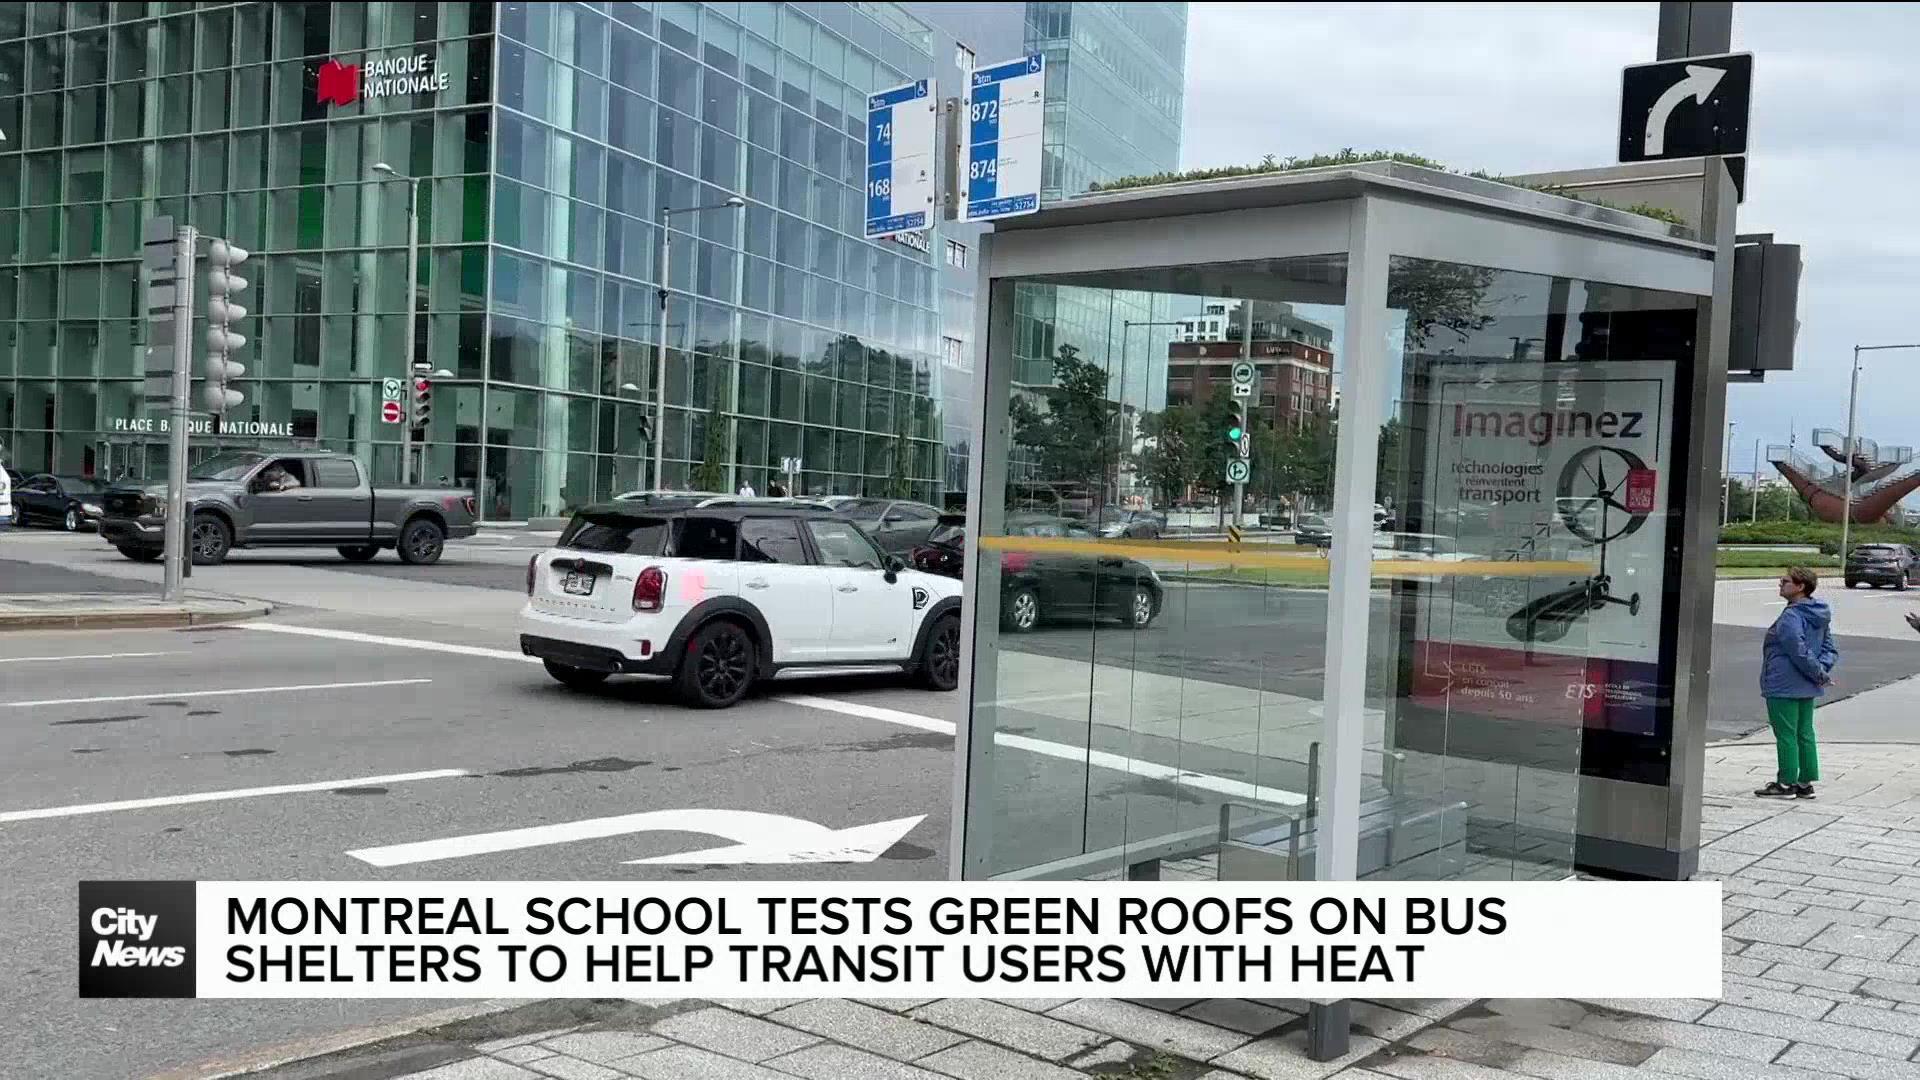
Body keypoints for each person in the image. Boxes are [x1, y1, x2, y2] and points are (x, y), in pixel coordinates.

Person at [1757, 566, 1837, 800]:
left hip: (1783, 683)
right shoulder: (1819, 613)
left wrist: (1819, 675)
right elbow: (1829, 648)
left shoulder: (1791, 615)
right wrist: (1820, 671)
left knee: (1786, 734)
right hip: (1806, 684)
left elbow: (1797, 650)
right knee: (1804, 732)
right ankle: (1805, 782)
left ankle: (1785, 783)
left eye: (1785, 581)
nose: (1780, 584)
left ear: (1801, 587)